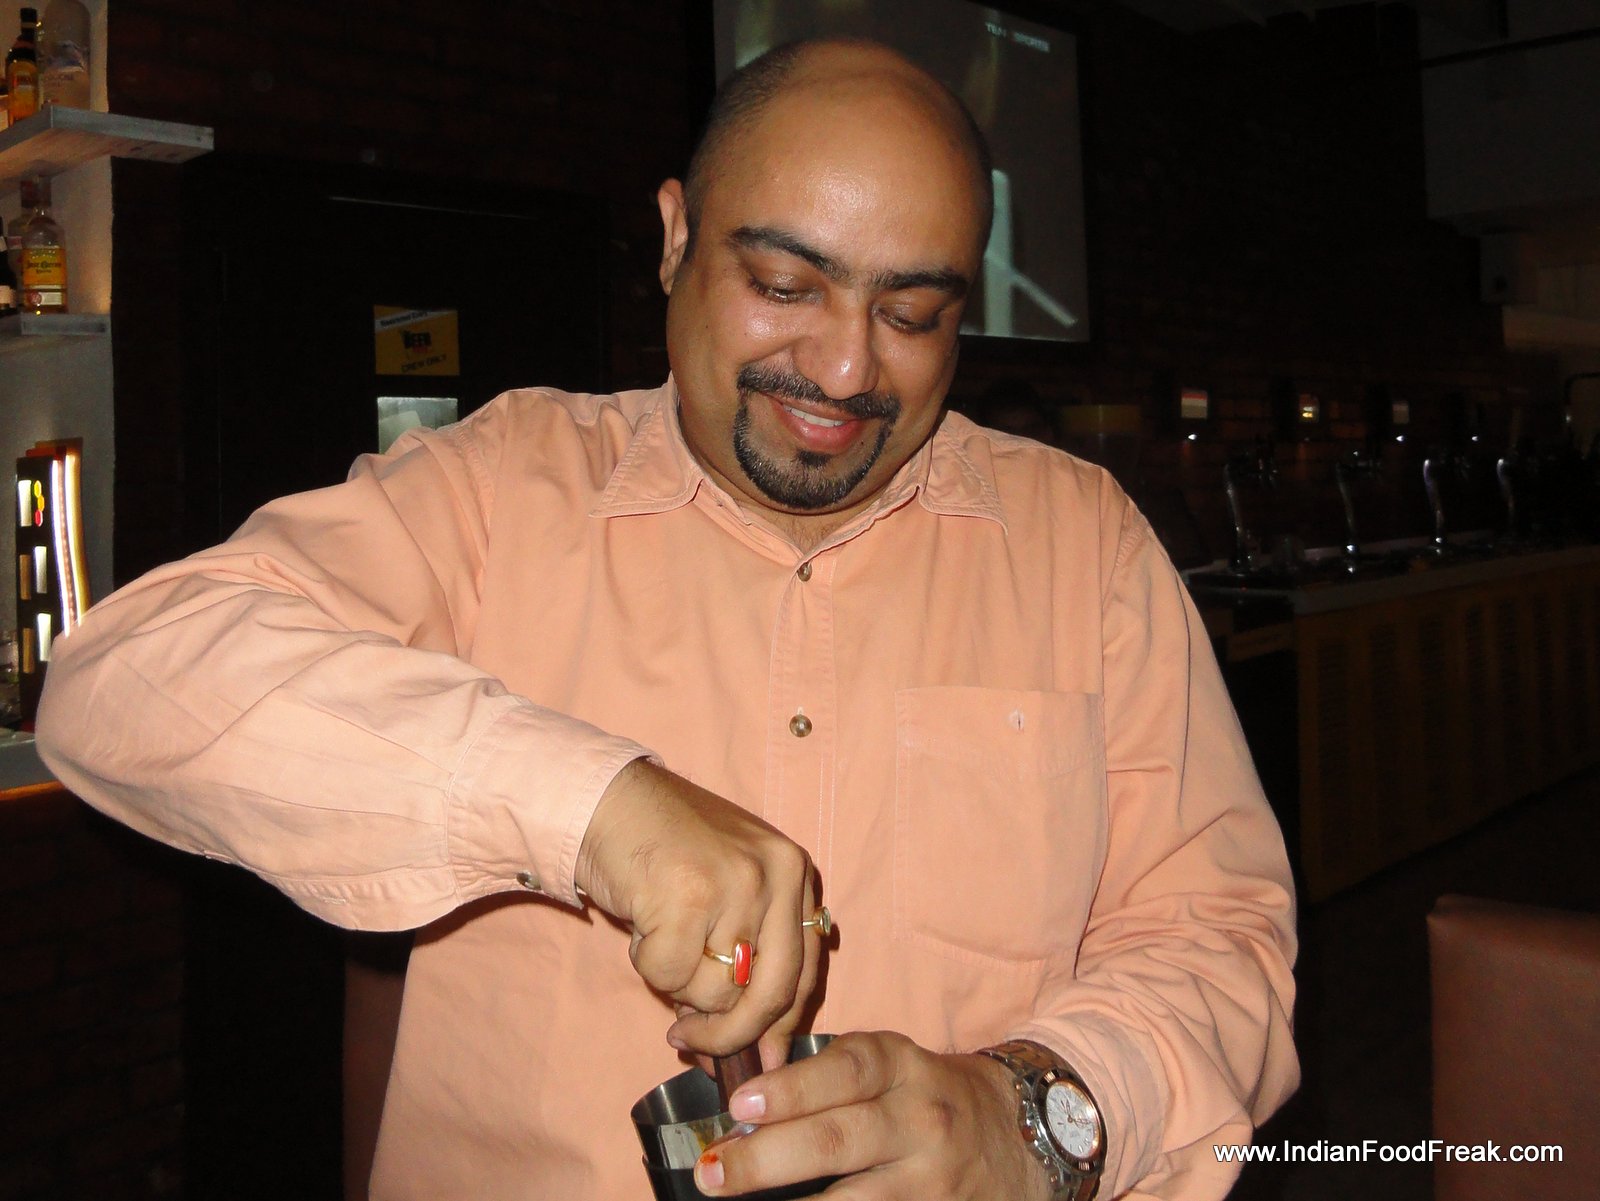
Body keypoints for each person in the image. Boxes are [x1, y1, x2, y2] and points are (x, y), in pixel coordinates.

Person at [36, 38, 1297, 1201]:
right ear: (674, 237)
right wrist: (588, 806)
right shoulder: (498, 488)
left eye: (911, 314)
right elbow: (122, 681)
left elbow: (1220, 935)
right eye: (784, 283)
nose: (846, 368)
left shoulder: (1084, 542)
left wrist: (1033, 1115)